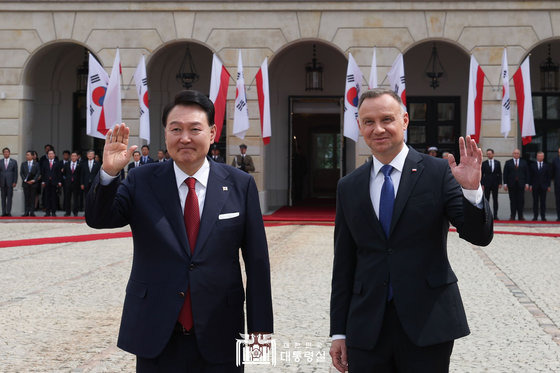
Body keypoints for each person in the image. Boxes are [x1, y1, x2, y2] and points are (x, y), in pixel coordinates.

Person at [85, 90, 273, 371]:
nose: (184, 137)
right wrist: (109, 174)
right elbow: (100, 218)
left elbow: (257, 262)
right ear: (165, 134)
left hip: (220, 328)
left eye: (194, 129)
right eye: (176, 129)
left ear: (212, 133)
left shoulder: (240, 184)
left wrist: (260, 328)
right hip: (157, 331)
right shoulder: (141, 180)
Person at [329, 88, 493, 373]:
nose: (378, 128)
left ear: (405, 120)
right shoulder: (349, 186)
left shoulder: (438, 172)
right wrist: (338, 332)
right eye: (368, 121)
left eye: (387, 119)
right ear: (359, 126)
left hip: (428, 322)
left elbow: (479, 235)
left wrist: (470, 190)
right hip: (367, 326)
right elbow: (344, 263)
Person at [503, 149, 529, 220]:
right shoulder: (508, 162)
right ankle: (512, 216)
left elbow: (527, 173)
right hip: (511, 184)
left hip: (521, 184)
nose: (516, 154)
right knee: (512, 201)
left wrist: (527, 183)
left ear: (519, 154)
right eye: (515, 153)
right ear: (513, 154)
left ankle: (521, 216)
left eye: (517, 153)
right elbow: (505, 174)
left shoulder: (524, 162)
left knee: (521, 200)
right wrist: (505, 184)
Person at [529, 151, 551, 221]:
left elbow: (548, 177)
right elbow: (530, 176)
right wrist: (530, 185)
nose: (540, 157)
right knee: (535, 202)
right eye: (539, 156)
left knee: (543, 202)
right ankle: (535, 216)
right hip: (535, 186)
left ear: (543, 157)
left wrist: (548, 186)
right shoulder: (532, 165)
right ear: (536, 157)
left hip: (544, 186)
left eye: (541, 156)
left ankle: (543, 217)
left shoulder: (547, 165)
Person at [481, 148, 502, 220]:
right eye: (487, 154)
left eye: (489, 154)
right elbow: (481, 174)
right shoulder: (484, 163)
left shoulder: (497, 162)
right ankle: (486, 215)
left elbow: (500, 173)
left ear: (493, 154)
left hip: (495, 184)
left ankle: (495, 215)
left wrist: (500, 183)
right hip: (486, 184)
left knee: (495, 200)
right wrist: (482, 184)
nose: (488, 155)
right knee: (486, 200)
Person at [41, 149, 61, 216]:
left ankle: (53, 212)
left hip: (54, 182)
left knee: (54, 198)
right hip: (46, 182)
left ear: (54, 155)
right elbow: (43, 173)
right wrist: (43, 181)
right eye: (49, 154)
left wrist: (59, 181)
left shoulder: (57, 163)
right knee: (47, 197)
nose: (50, 155)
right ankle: (47, 212)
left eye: (52, 154)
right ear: (47, 155)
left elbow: (59, 173)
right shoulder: (45, 162)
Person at [20, 150, 41, 216]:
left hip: (33, 184)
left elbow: (38, 173)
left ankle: (32, 212)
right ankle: (26, 212)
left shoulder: (36, 164)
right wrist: (25, 180)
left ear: (32, 156)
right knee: (26, 198)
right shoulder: (23, 164)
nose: (27, 156)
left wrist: (34, 180)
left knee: (32, 198)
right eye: (26, 155)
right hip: (26, 184)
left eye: (28, 155)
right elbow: (21, 173)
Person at [63, 151, 81, 217]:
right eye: (72, 156)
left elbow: (81, 174)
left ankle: (75, 212)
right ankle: (67, 212)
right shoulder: (67, 164)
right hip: (68, 183)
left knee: (76, 198)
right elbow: (64, 173)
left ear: (77, 157)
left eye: (75, 156)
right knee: (67, 198)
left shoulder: (80, 164)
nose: (73, 157)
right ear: (71, 157)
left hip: (76, 184)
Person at [0, 147, 18, 216]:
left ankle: (8, 212)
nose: (6, 153)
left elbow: (15, 173)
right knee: (3, 198)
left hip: (10, 183)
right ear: (3, 153)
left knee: (9, 198)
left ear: (9, 153)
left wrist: (15, 182)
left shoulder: (13, 162)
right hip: (2, 183)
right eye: (4, 152)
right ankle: (3, 212)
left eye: (7, 152)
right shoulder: (0, 161)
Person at [552, 147, 560, 221]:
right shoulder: (555, 160)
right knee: (558, 201)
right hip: (558, 184)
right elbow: (552, 172)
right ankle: (559, 217)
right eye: (559, 152)